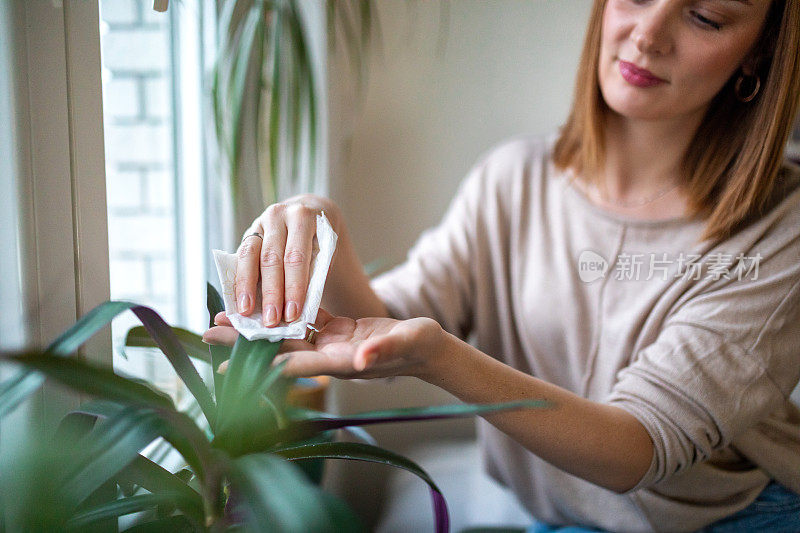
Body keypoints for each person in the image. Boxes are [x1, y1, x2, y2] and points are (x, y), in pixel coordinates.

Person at [203, 0, 800, 531]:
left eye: (705, 17)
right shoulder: (513, 178)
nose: (648, 35)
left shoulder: (781, 229)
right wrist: (322, 226)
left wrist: (440, 358)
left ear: (758, 53)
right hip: (562, 516)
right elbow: (389, 323)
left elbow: (636, 449)